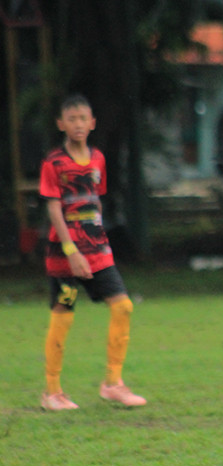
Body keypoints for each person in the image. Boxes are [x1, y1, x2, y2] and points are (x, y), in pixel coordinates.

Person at [39, 94, 146, 411]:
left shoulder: (98, 159)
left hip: (98, 253)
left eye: (83, 118)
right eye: (71, 119)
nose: (78, 124)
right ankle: (52, 392)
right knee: (63, 316)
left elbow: (95, 202)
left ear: (92, 123)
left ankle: (113, 384)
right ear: (61, 124)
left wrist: (99, 242)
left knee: (123, 306)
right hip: (65, 257)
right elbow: (54, 208)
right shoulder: (54, 163)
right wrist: (72, 250)